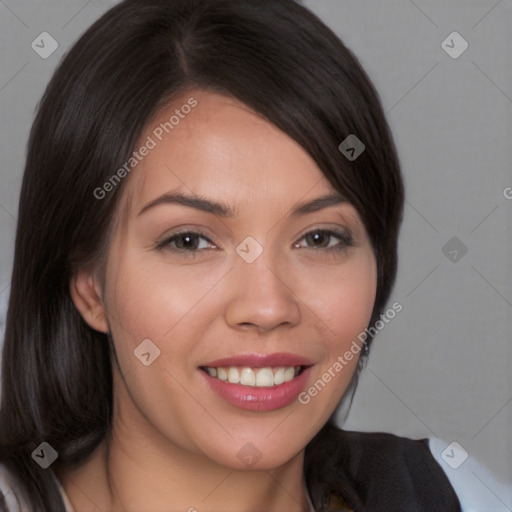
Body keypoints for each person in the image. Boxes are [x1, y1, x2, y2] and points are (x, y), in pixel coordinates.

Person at [0, 1, 500, 511]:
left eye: (320, 238)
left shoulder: (448, 495)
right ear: (89, 284)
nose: (267, 307)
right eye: (190, 240)